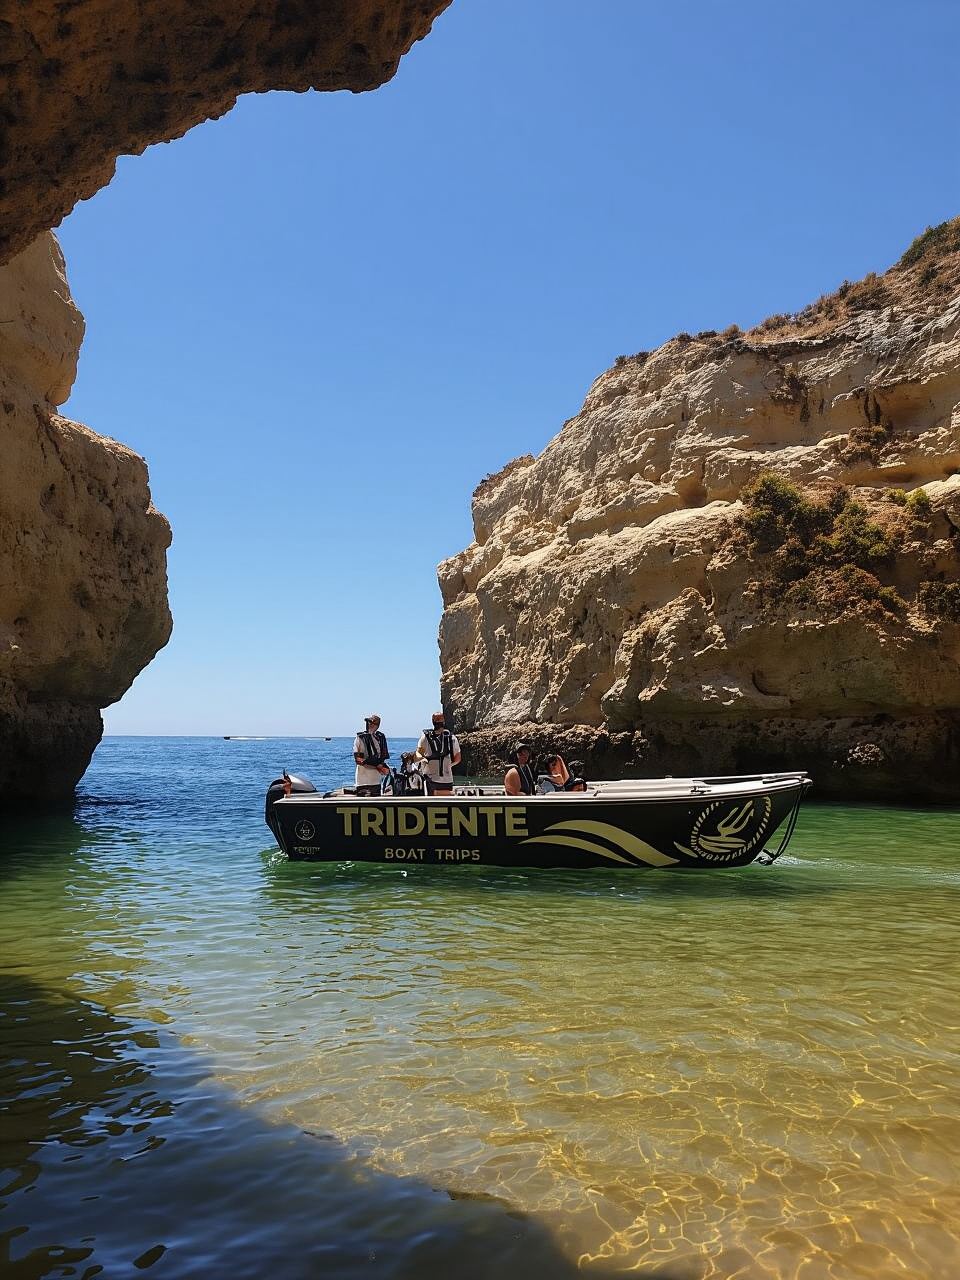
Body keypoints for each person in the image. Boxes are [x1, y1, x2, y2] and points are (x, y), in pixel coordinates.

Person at [415, 711, 461, 796]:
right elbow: (418, 754)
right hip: (435, 778)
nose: (438, 721)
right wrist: (423, 759)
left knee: (440, 802)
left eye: (439, 719)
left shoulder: (451, 738)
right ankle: (449, 794)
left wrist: (449, 765)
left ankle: (446, 793)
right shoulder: (426, 738)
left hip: (443, 779)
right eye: (437, 719)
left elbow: (458, 757)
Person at [353, 715, 390, 796]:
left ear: (377, 726)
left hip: (376, 780)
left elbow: (383, 757)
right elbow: (358, 760)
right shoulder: (360, 738)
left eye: (373, 723)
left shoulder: (380, 738)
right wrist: (378, 765)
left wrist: (383, 767)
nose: (370, 725)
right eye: (369, 723)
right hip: (362, 781)